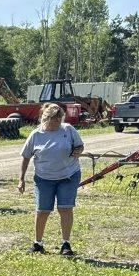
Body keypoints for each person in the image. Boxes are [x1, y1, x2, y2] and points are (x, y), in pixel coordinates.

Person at [18, 102, 84, 255]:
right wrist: (21, 179)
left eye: (59, 120)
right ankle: (38, 243)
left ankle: (66, 244)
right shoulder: (36, 135)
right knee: (42, 210)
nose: (57, 124)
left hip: (68, 175)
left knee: (65, 208)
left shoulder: (68, 129)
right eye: (54, 121)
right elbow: (26, 157)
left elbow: (80, 146)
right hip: (44, 178)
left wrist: (78, 151)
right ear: (45, 119)